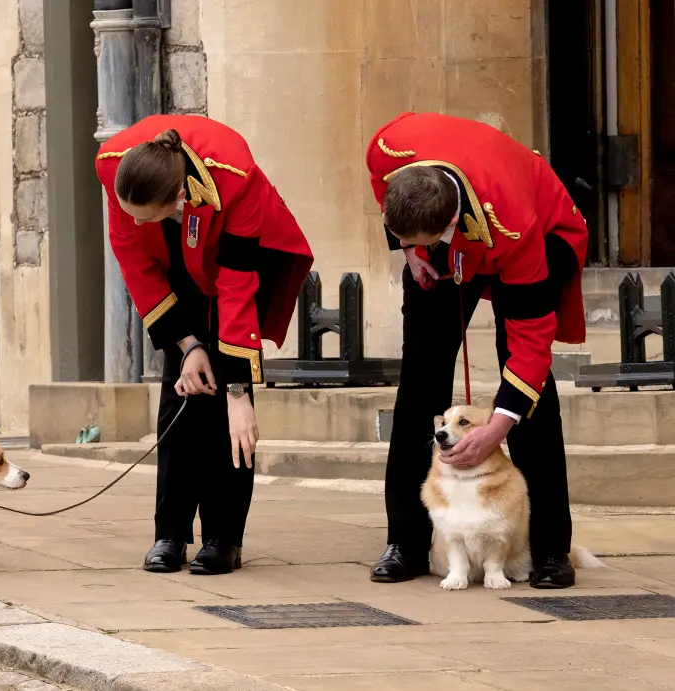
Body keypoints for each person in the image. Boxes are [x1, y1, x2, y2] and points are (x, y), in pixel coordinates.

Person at [364, 112, 589, 589]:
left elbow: (530, 346)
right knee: (420, 382)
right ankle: (405, 541)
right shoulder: (389, 149)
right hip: (454, 231)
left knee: (531, 398)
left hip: (543, 237)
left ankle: (549, 548)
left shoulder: (513, 226)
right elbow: (380, 187)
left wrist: (495, 429)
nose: (412, 247)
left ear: (448, 222)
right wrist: (412, 251)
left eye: (421, 241)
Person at [95, 115, 313, 575]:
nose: (131, 221)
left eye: (142, 215)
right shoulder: (116, 168)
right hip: (173, 261)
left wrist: (238, 394)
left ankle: (223, 537)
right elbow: (133, 260)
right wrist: (188, 343)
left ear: (177, 197)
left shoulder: (236, 180)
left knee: (230, 412)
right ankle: (169, 534)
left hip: (234, 251)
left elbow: (236, 289)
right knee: (181, 388)